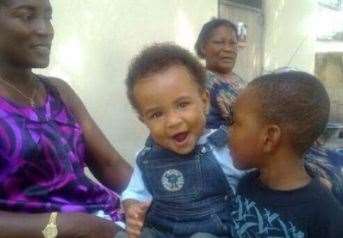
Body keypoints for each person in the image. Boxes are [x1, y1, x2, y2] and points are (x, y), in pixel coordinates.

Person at [0, 0, 131, 237]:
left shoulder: (58, 91)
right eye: (27, 16)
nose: (45, 29)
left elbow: (110, 164)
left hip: (109, 223)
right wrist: (62, 226)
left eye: (48, 17)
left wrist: (161, 197)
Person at [118, 43, 244, 238]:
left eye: (182, 104)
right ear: (144, 120)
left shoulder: (225, 148)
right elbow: (134, 193)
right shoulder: (147, 159)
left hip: (212, 232)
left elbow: (259, 183)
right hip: (161, 232)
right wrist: (132, 208)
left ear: (204, 101)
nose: (173, 121)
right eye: (156, 114)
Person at [228, 71, 343, 237]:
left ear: (269, 137)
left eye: (235, 122)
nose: (228, 131)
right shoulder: (245, 185)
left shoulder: (326, 215)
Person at [194, 18, 246, 129]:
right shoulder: (198, 83)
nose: (228, 49)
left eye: (233, 43)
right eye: (219, 42)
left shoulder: (242, 81)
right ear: (203, 47)